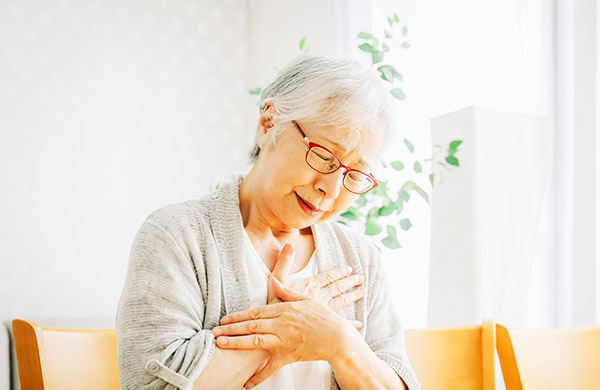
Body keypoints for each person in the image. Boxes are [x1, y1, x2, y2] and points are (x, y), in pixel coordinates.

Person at [116, 53, 420, 390]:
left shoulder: (360, 259)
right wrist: (282, 325)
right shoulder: (176, 236)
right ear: (269, 124)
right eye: (323, 156)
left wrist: (339, 341)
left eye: (356, 174)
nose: (331, 190)